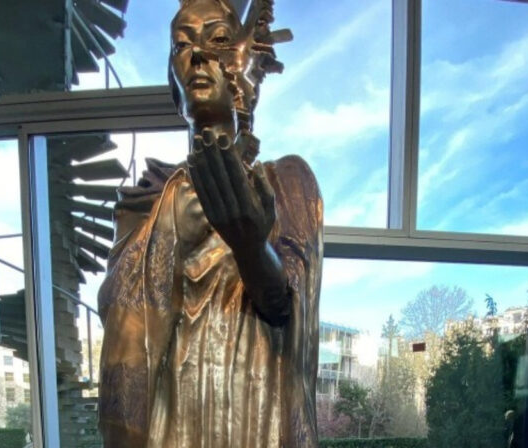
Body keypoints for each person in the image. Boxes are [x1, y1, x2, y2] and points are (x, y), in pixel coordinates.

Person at [97, 1, 323, 446]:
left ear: (247, 63)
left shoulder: (287, 183)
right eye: (182, 45)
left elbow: (290, 307)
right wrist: (172, 225)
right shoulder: (149, 200)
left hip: (255, 419)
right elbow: (121, 328)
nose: (198, 55)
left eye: (218, 39)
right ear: (172, 83)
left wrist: (252, 247)